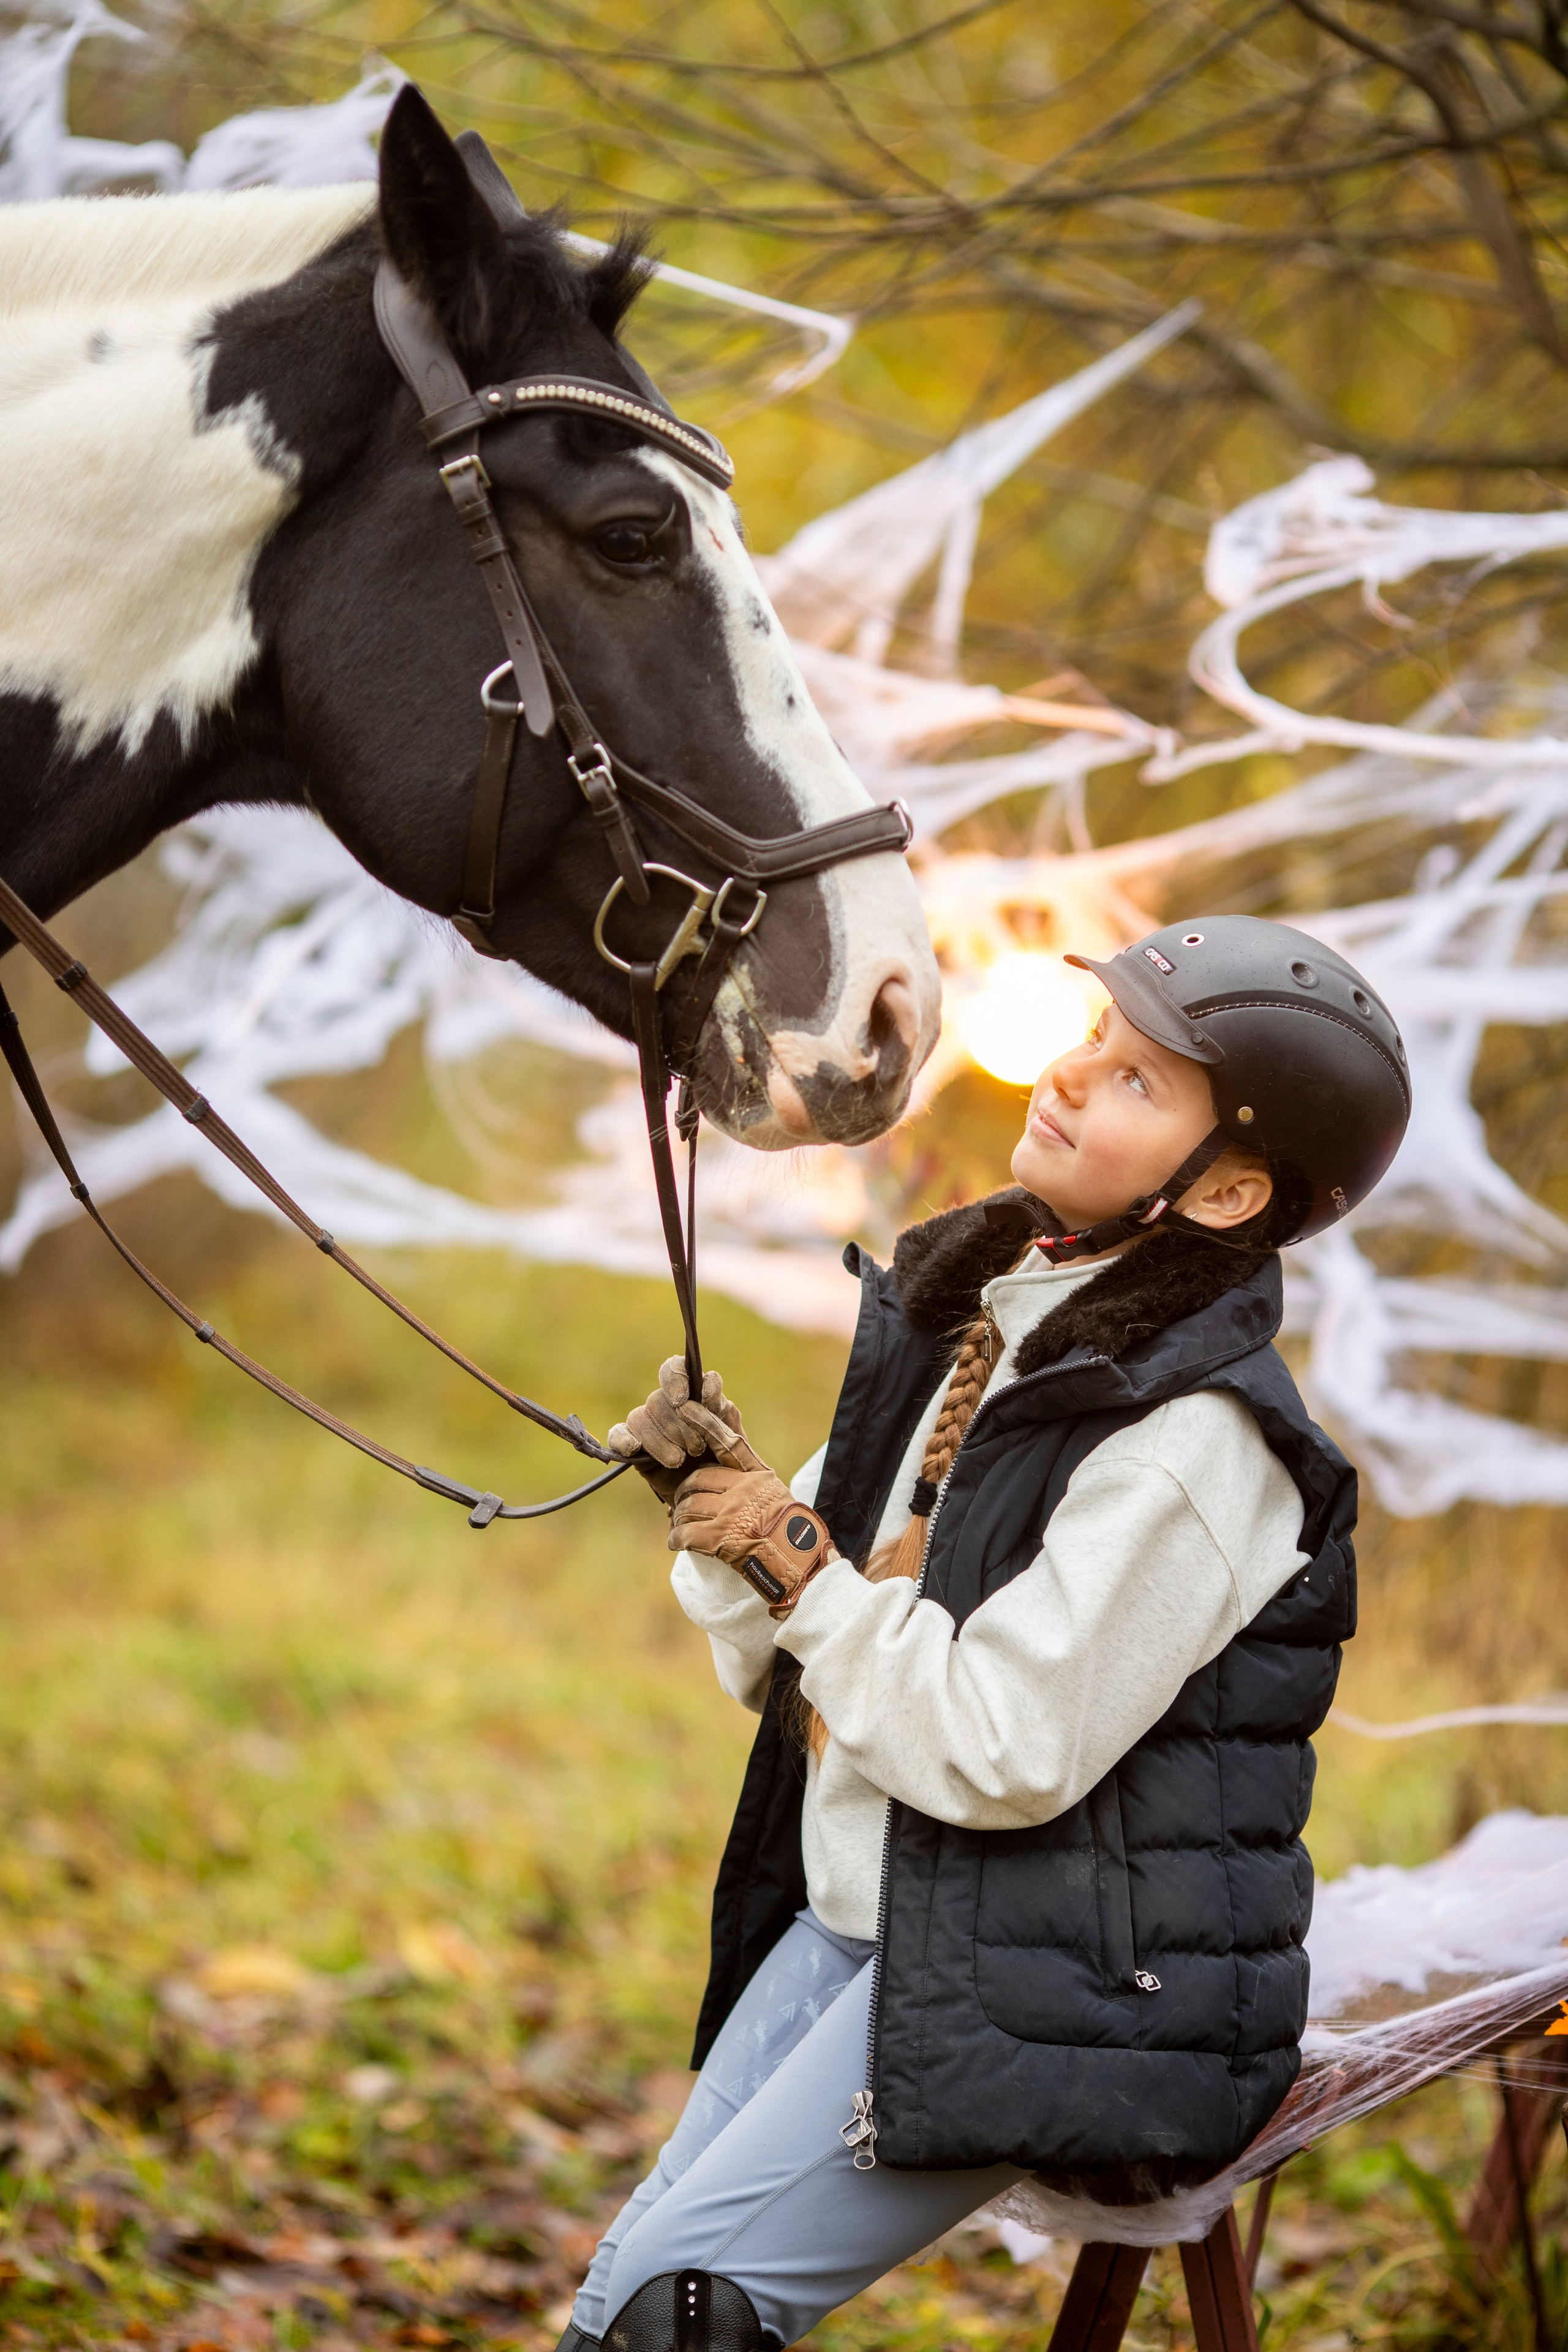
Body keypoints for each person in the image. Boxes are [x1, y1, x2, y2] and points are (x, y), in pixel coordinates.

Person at [562, 917, 1411, 2352]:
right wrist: (726, 1527)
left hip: (1055, 1978)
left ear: (1229, 1192)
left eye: (1139, 1082)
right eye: (1092, 1043)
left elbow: (996, 1745)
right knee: (618, 2309)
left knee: (672, 2320)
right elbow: (815, 1671)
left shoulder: (1195, 1440)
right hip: (871, 1915)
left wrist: (791, 1557)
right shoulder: (979, 1319)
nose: (1072, 1078)